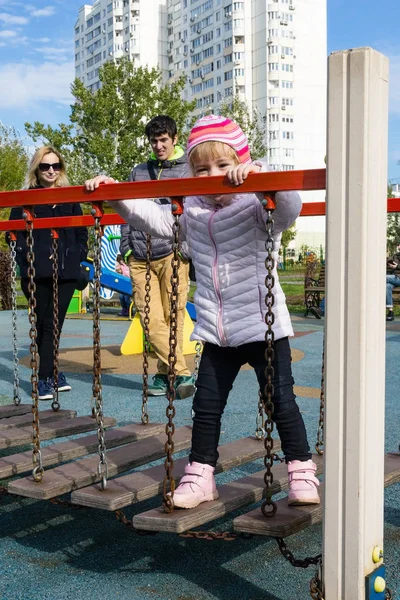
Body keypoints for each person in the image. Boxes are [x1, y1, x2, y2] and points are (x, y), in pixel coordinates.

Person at [85, 114, 320, 510]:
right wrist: (116, 193)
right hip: (215, 329)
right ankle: (200, 476)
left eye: (223, 165)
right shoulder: (190, 210)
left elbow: (290, 209)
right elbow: (154, 219)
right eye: (202, 168)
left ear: (240, 162)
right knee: (206, 407)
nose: (213, 175)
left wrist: (263, 177)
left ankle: (301, 472)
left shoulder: (257, 203)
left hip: (263, 327)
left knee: (280, 401)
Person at [89, 115, 194, 400]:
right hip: (139, 255)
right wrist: (125, 247)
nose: (159, 146)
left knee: (174, 318)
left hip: (172, 253)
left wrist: (185, 248)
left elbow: (195, 209)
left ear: (174, 139)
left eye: (163, 140)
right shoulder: (139, 171)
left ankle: (164, 374)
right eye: (154, 141)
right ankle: (181, 371)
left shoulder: (188, 170)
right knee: (149, 319)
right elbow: (128, 211)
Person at [7, 146, 88, 400]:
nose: (51, 171)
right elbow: (13, 234)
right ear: (37, 169)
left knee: (53, 323)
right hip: (36, 272)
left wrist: (78, 256)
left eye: (55, 166)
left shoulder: (69, 198)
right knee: (42, 324)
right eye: (45, 166)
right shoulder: (25, 199)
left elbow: (81, 232)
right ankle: (51, 373)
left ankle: (44, 378)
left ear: (61, 169)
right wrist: (25, 258)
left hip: (65, 272)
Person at [386, 249, 400, 321]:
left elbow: (397, 266)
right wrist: (389, 264)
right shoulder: (395, 255)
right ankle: (390, 311)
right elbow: (388, 261)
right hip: (393, 278)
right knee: (387, 286)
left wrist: (397, 266)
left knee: (383, 278)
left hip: (398, 278)